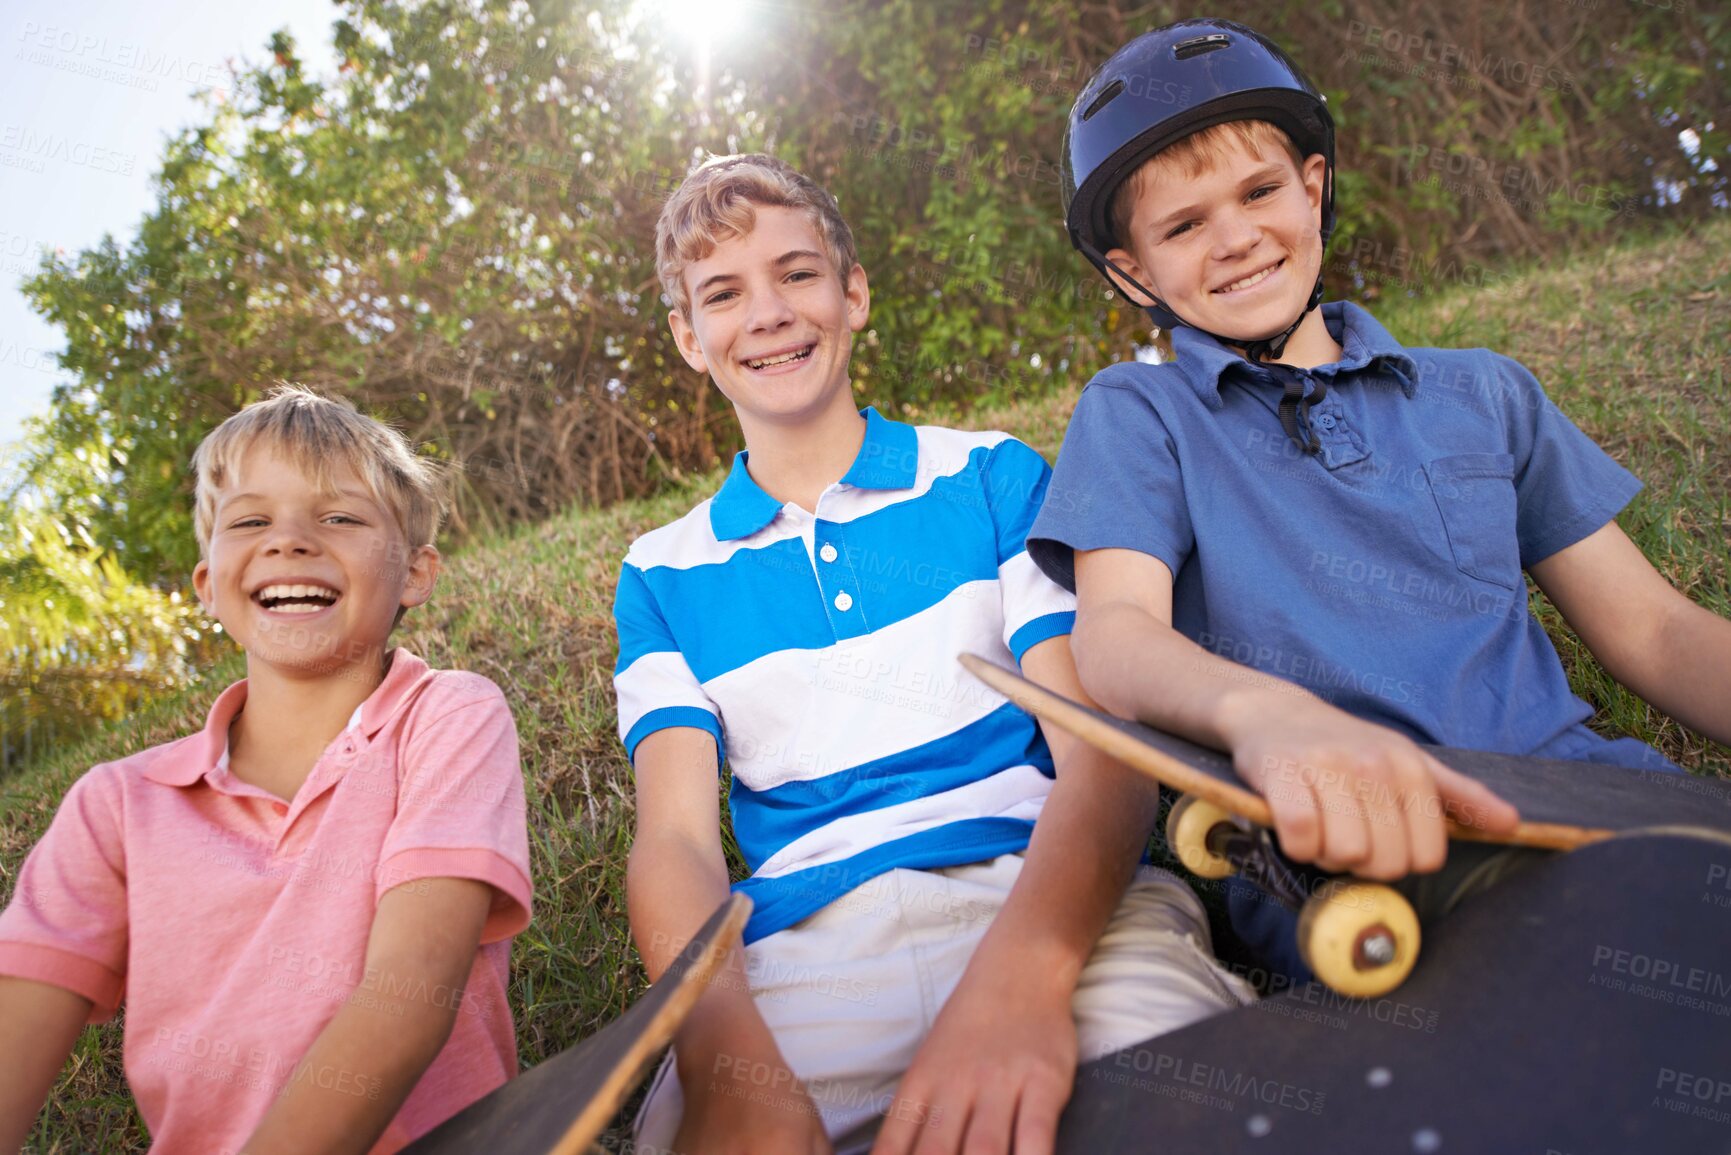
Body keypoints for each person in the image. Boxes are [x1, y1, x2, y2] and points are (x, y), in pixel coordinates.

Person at [1027, 18, 1731, 978]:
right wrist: (1262, 715)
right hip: (1347, 849)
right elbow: (1113, 637)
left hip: (1589, 793)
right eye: (1183, 225)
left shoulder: (1482, 391)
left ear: (1312, 188)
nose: (1235, 238)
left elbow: (1651, 629)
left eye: (1260, 191)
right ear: (1131, 270)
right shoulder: (1138, 413)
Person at [614, 152, 1254, 1155]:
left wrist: (1025, 978)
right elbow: (677, 846)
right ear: (690, 339)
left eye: (798, 272)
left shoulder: (990, 476)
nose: (771, 311)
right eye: (724, 294)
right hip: (803, 960)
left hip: (1047, 897)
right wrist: (718, 1052)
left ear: (853, 292)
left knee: (1201, 1111)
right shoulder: (662, 575)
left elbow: (1100, 752)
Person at [0, 385, 534, 1154]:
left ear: (416, 573)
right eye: (250, 520)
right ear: (208, 585)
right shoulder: (115, 807)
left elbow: (410, 991)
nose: (288, 541)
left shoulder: (446, 717)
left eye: (339, 517)